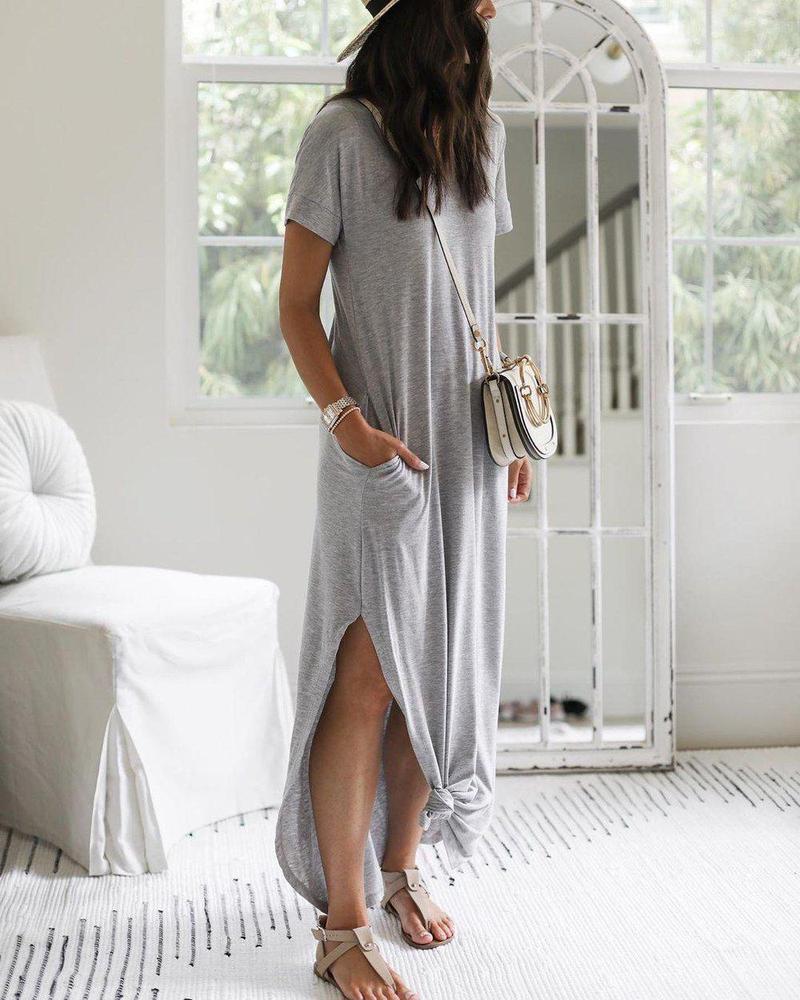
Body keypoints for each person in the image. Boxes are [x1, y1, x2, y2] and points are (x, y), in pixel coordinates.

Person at [276, 0, 530, 996]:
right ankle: (340, 925)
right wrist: (346, 422)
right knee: (366, 676)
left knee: (434, 668)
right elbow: (296, 306)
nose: (492, 9)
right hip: (379, 443)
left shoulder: (480, 132)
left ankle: (399, 865)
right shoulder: (340, 135)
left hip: (466, 445)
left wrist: (508, 426)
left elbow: (476, 293)